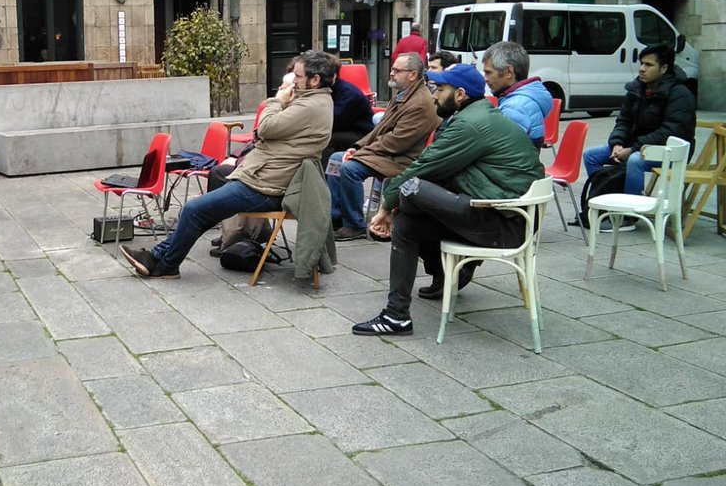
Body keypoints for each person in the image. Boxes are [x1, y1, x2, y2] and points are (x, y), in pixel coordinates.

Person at [352, 63, 545, 336]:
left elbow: (422, 168)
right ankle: (397, 316)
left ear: (460, 95)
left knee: (413, 189)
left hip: (507, 222)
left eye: (440, 89)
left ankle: (446, 271)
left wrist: (386, 208)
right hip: (503, 213)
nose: (433, 95)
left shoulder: (470, 124)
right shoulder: (477, 115)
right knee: (406, 225)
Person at [121, 52, 335, 279]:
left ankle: (167, 265)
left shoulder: (310, 106)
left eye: (298, 77)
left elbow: (266, 127)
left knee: (194, 210)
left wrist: (277, 100)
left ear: (315, 80)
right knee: (202, 211)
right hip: (264, 178)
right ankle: (156, 258)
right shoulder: (311, 101)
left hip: (266, 186)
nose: (293, 81)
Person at [581, 43, 695, 229]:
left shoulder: (680, 94)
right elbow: (623, 120)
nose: (642, 69)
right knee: (591, 156)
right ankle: (606, 204)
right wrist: (617, 143)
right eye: (641, 63)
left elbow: (670, 131)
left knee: (635, 160)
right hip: (635, 144)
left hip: (670, 151)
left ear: (664, 68)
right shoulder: (637, 89)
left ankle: (630, 216)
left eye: (649, 65)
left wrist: (633, 148)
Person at [327, 53, 439, 241]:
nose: (391, 73)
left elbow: (397, 142)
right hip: (388, 153)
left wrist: (361, 153)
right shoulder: (403, 95)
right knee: (336, 159)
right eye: (393, 69)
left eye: (397, 70)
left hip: (403, 159)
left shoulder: (420, 102)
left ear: (412, 75)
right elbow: (378, 130)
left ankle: (355, 225)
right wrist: (357, 147)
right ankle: (336, 217)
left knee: (349, 168)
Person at [482, 41, 553, 148]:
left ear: (509, 72)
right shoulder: (523, 99)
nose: (485, 79)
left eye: (488, 72)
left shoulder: (515, 107)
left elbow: (499, 150)